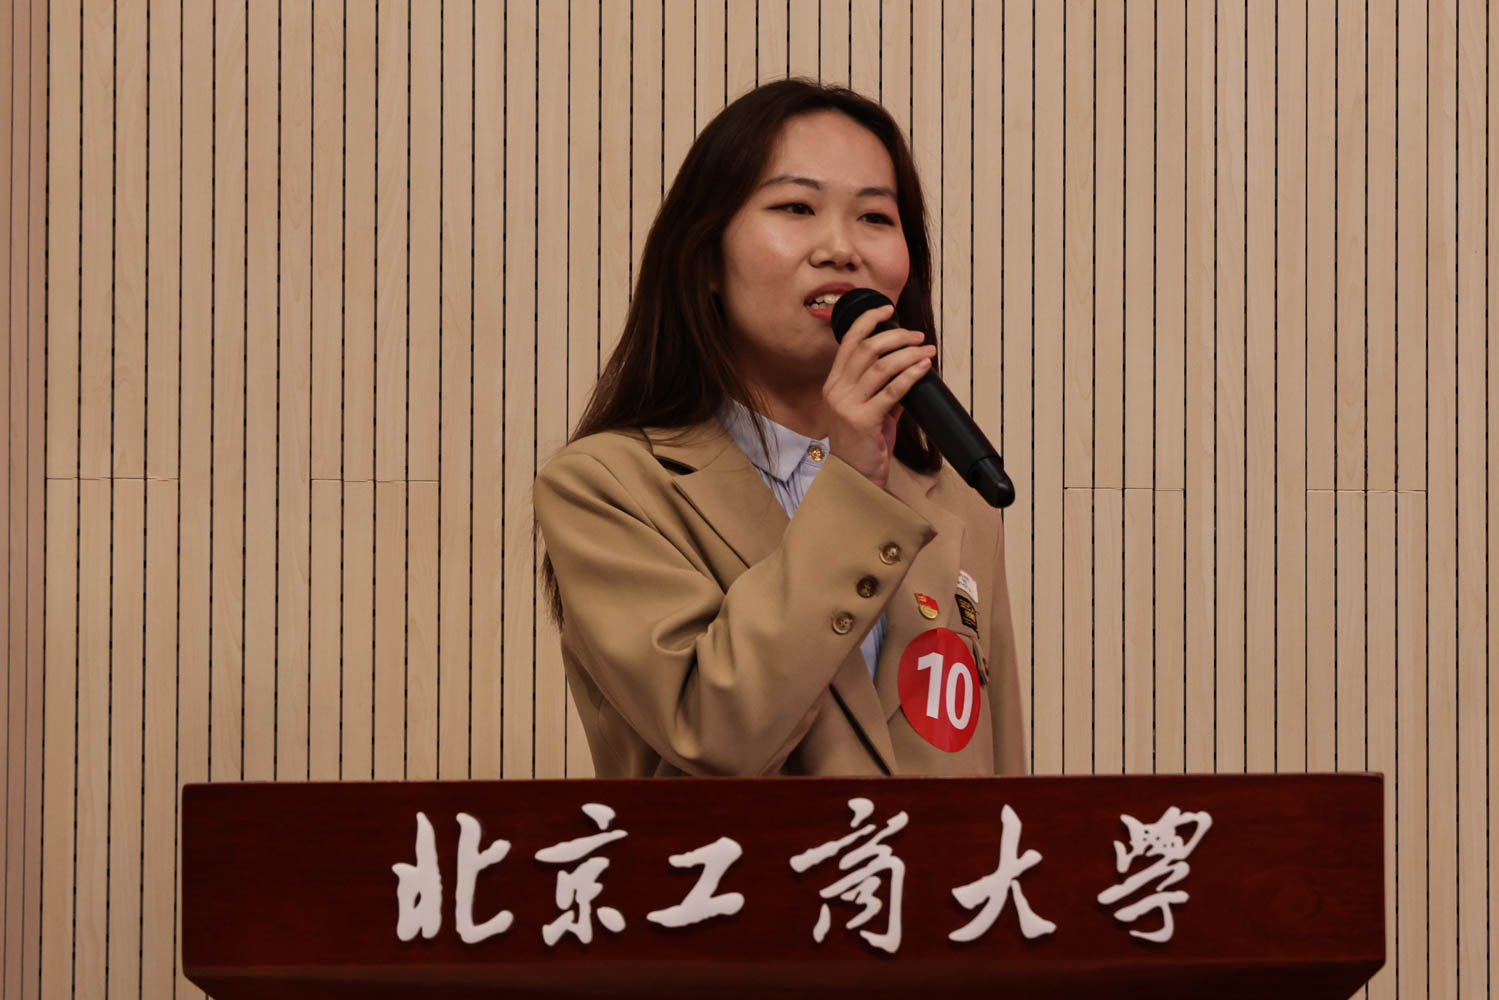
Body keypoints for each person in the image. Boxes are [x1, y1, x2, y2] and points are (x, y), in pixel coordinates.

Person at [534, 78, 1025, 778]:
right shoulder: (608, 487)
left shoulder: (955, 500)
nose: (841, 249)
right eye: (796, 207)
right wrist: (851, 483)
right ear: (706, 258)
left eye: (875, 217)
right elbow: (717, 733)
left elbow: (1002, 778)